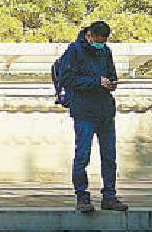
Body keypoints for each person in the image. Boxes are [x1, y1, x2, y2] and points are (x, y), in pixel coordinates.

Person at [55, 21, 130, 213]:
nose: (100, 44)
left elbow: (111, 73)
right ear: (89, 35)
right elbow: (68, 78)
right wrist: (96, 82)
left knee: (109, 156)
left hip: (104, 111)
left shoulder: (106, 51)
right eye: (98, 40)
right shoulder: (74, 50)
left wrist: (111, 82)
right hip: (84, 111)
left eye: (104, 41)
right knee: (82, 155)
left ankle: (110, 196)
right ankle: (82, 196)